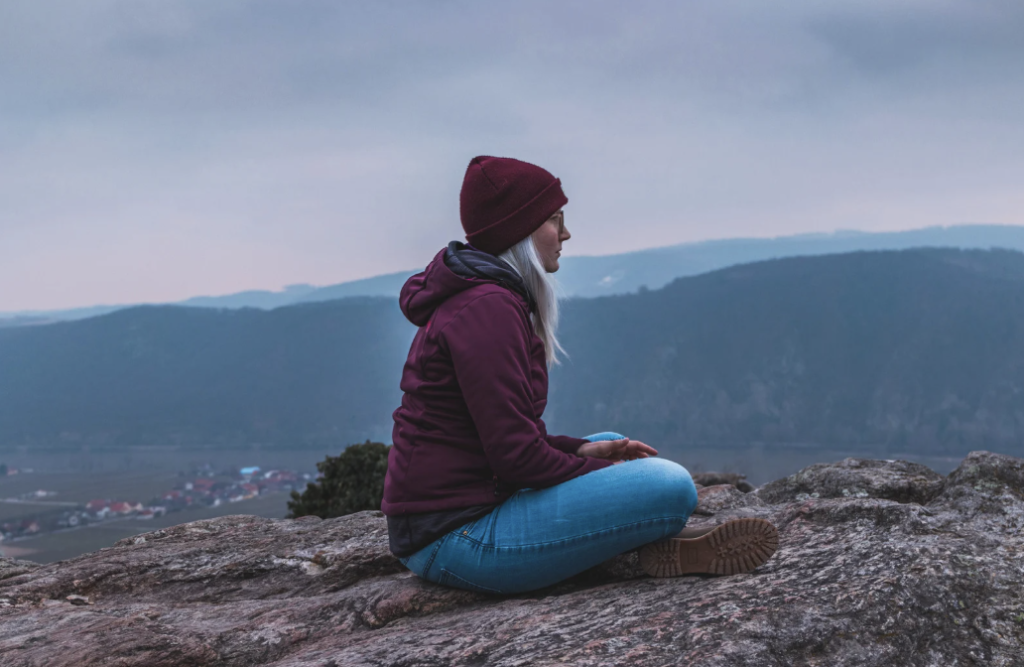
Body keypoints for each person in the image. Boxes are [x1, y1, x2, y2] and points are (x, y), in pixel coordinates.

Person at [381, 156, 778, 594]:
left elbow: (507, 440)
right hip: (456, 538)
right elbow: (515, 457)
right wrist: (598, 474)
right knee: (670, 485)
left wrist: (583, 450)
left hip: (465, 511)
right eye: (554, 220)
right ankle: (652, 536)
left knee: (612, 446)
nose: (566, 233)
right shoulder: (487, 310)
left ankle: (651, 543)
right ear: (520, 230)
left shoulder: (488, 300)